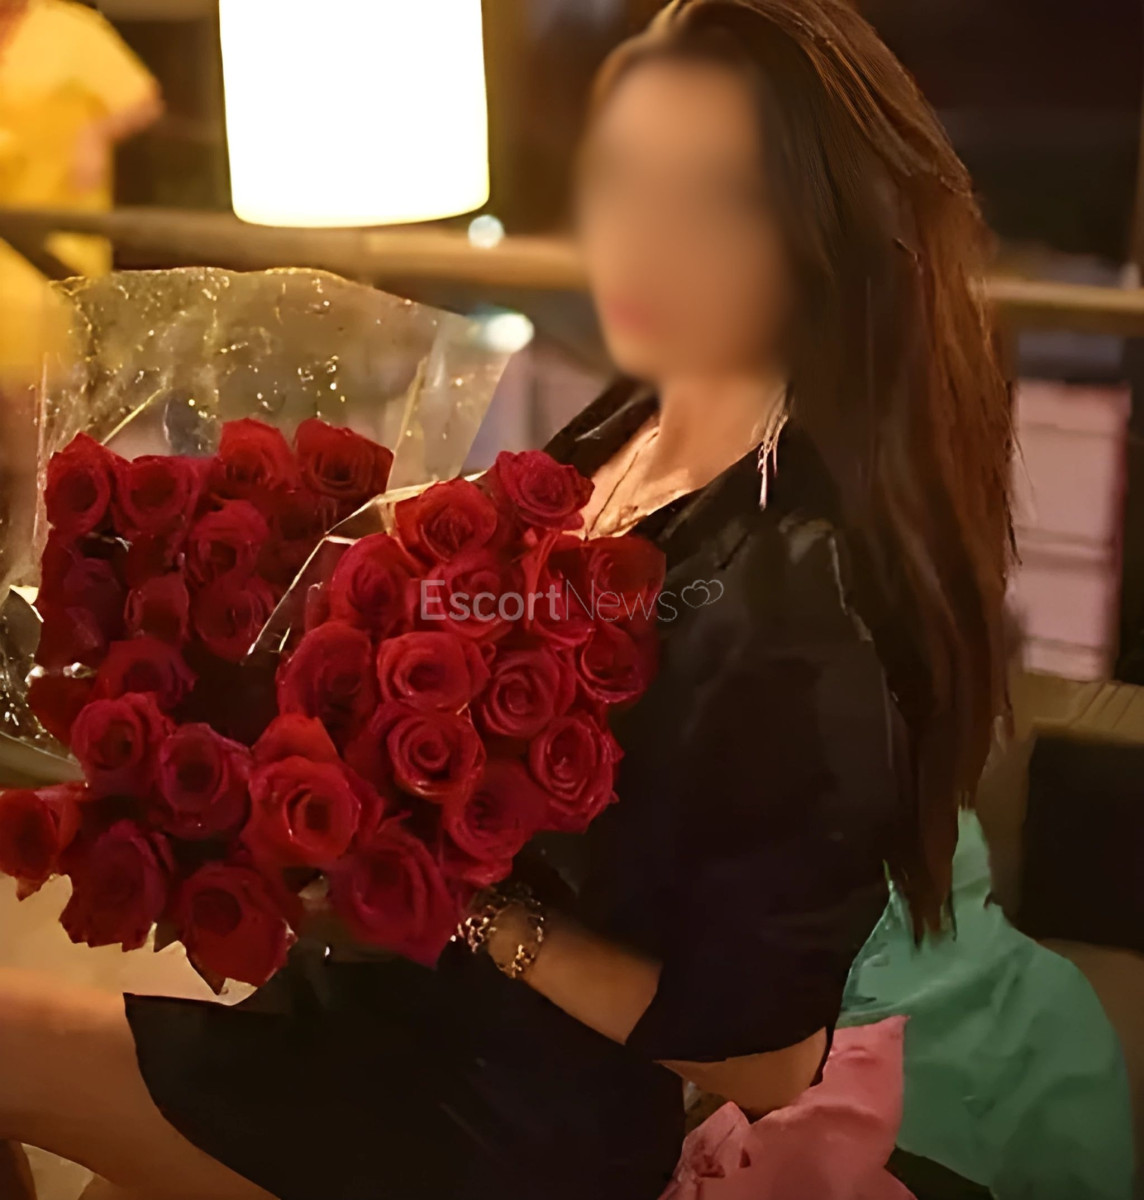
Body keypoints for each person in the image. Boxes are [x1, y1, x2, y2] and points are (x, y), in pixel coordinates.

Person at [0, 2, 1013, 1198]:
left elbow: (772, 1059)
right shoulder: (632, 427)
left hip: (494, 1124)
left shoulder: (798, 589)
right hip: (368, 1020)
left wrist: (474, 909)